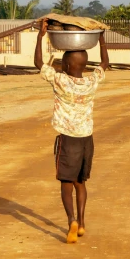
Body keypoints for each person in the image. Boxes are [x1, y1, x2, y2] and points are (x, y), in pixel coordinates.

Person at [34, 18, 109, 244]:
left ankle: (71, 222)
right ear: (84, 66)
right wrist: (101, 37)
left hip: (68, 141)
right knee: (81, 183)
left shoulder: (60, 81)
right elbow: (105, 63)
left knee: (66, 184)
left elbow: (39, 63)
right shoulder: (91, 82)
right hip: (87, 139)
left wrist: (40, 37)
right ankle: (83, 222)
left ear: (65, 66)